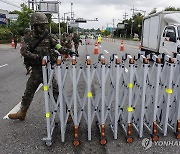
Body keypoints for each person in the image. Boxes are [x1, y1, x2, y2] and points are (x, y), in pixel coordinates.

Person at [8, 12, 76, 121]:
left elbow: (57, 46)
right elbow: (24, 51)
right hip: (36, 71)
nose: (43, 27)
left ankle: (67, 114)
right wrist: (36, 57)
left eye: (44, 25)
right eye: (40, 25)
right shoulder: (28, 37)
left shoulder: (48, 35)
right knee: (28, 92)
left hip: (47, 70)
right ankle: (22, 112)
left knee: (56, 92)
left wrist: (68, 51)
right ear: (34, 25)